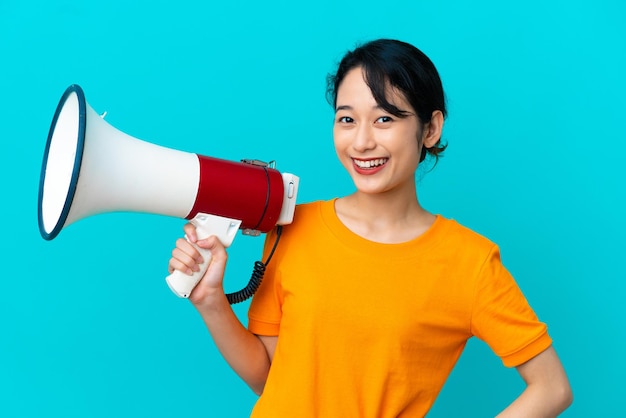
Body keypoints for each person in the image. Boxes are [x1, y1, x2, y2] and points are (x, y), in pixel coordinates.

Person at [168, 39, 573, 417]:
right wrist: (211, 301)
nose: (361, 142)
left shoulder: (471, 263)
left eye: (384, 118)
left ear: (430, 129)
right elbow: (268, 378)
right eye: (347, 119)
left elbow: (552, 388)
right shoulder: (290, 228)